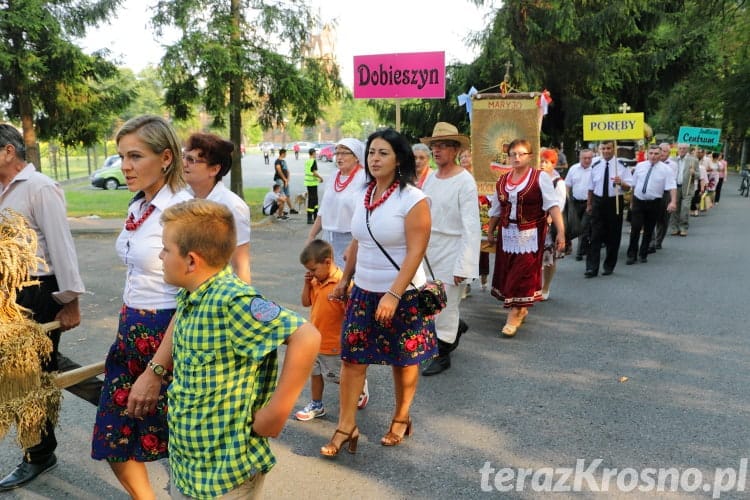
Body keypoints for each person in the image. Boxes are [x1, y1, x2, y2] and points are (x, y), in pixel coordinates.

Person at [158, 199, 319, 498]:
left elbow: (306, 336)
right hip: (192, 462)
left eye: (166, 249)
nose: (160, 255)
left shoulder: (233, 301)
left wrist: (277, 411)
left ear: (191, 261)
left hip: (225, 471)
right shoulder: (191, 295)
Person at [90, 115, 191, 499]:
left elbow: (193, 297)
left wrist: (157, 368)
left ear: (166, 157)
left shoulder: (184, 211)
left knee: (180, 444)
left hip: (171, 339)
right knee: (114, 435)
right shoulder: (139, 206)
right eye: (121, 157)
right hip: (132, 332)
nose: (125, 167)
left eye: (135, 156)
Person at [321, 128, 435, 456]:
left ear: (399, 158)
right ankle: (346, 426)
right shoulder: (364, 194)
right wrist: (346, 280)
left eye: (383, 153)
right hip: (363, 292)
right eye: (371, 152)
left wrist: (394, 294)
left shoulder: (413, 199)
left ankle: (401, 418)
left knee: (403, 360)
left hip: (403, 294)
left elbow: (416, 251)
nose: (375, 159)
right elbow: (359, 238)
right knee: (352, 360)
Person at [0, 124, 94, 491]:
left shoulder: (40, 188)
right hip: (9, 295)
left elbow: (61, 245)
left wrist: (70, 301)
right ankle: (112, 397)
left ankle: (38, 455)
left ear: (8, 151)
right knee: (34, 366)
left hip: (38, 292)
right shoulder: (4, 191)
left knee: (26, 377)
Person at [486, 139, 565, 337]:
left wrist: (561, 232)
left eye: (521, 154)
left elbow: (553, 206)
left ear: (530, 157)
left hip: (530, 234)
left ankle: (515, 314)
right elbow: (497, 209)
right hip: (507, 234)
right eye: (513, 154)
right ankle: (520, 307)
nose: (517, 158)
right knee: (509, 272)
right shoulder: (502, 180)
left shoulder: (540, 178)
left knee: (523, 273)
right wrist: (491, 231)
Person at [419, 122, 479, 376]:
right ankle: (455, 328)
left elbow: (471, 226)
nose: (437, 151)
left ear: (455, 150)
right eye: (434, 146)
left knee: (446, 306)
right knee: (428, 300)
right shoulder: (431, 177)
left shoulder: (465, 182)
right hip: (430, 249)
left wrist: (464, 265)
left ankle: (443, 354)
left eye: (443, 146)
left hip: (453, 249)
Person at [294, 239, 369, 420]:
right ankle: (317, 404)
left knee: (338, 377)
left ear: (327, 262)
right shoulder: (314, 281)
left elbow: (351, 314)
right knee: (315, 373)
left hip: (333, 343)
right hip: (315, 340)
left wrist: (343, 298)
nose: (310, 273)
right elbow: (306, 302)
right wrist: (307, 283)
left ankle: (359, 385)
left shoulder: (342, 284)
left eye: (313, 269)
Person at [183, 132, 251, 283]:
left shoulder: (232, 206)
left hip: (216, 295)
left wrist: (241, 303)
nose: (184, 164)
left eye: (192, 160)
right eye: (184, 157)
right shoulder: (183, 199)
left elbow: (241, 265)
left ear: (214, 170)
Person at [306, 138, 367, 268]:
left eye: (344, 153)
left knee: (347, 282)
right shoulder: (334, 176)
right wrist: (311, 236)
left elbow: (365, 215)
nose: (339, 157)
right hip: (329, 239)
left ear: (356, 156)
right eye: (337, 153)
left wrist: (353, 245)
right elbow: (324, 209)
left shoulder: (364, 178)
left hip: (352, 241)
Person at [585, 140, 633, 277]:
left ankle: (609, 265)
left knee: (613, 236)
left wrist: (621, 183)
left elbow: (628, 187)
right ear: (600, 149)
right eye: (603, 148)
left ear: (614, 149)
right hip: (598, 202)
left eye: (609, 148)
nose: (606, 151)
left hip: (615, 202)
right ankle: (591, 268)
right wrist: (589, 204)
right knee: (594, 236)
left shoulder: (621, 166)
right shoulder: (595, 165)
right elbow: (590, 187)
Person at [626, 145, 677, 265]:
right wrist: (632, 201)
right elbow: (634, 184)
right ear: (647, 154)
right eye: (651, 153)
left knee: (649, 229)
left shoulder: (666, 169)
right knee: (636, 228)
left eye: (656, 154)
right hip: (639, 200)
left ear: (661, 155)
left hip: (654, 202)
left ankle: (643, 253)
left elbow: (672, 186)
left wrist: (673, 201)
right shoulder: (640, 166)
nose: (653, 156)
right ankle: (631, 254)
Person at [538, 147, 567, 301]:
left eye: (546, 162)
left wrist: (550, 218)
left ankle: (546, 287)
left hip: (549, 224)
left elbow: (559, 204)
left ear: (553, 164)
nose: (542, 164)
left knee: (549, 258)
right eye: (541, 161)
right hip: (535, 222)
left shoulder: (558, 182)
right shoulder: (535, 178)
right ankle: (534, 286)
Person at [564, 148, 594, 261]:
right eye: (584, 158)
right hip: (576, 202)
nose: (587, 160)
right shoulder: (574, 169)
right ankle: (583, 247)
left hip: (590, 202)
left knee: (584, 226)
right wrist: (566, 198)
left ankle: (580, 252)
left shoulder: (595, 169)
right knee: (575, 226)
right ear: (580, 158)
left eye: (589, 158)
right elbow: (567, 184)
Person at [650, 142, 677, 253]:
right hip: (652, 193)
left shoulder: (672, 165)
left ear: (669, 153)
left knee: (663, 219)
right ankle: (651, 242)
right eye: (660, 150)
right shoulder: (650, 163)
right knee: (650, 218)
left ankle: (658, 241)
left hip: (665, 193)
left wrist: (673, 201)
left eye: (664, 151)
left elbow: (671, 183)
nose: (661, 153)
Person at [669, 143, 699, 237]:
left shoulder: (693, 160)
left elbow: (699, 175)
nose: (681, 150)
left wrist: (694, 173)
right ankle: (674, 228)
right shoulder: (673, 160)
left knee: (685, 208)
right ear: (677, 149)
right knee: (674, 208)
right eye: (680, 148)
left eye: (684, 148)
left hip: (687, 188)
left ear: (687, 150)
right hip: (675, 187)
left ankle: (683, 228)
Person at [304, 147, 324, 224]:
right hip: (312, 183)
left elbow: (309, 172)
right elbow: (313, 172)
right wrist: (320, 178)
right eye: (315, 153)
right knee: (312, 200)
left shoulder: (307, 161)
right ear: (313, 154)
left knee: (314, 200)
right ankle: (310, 218)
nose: (316, 155)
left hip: (309, 183)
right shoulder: (313, 161)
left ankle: (315, 217)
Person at [274, 148, 297, 213]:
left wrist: (287, 179)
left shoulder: (284, 161)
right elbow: (279, 171)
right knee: (281, 195)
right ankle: (281, 211)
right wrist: (284, 179)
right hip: (280, 180)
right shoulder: (277, 161)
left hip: (285, 180)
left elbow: (287, 171)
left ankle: (291, 209)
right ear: (282, 153)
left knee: (287, 195)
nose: (286, 155)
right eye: (285, 153)